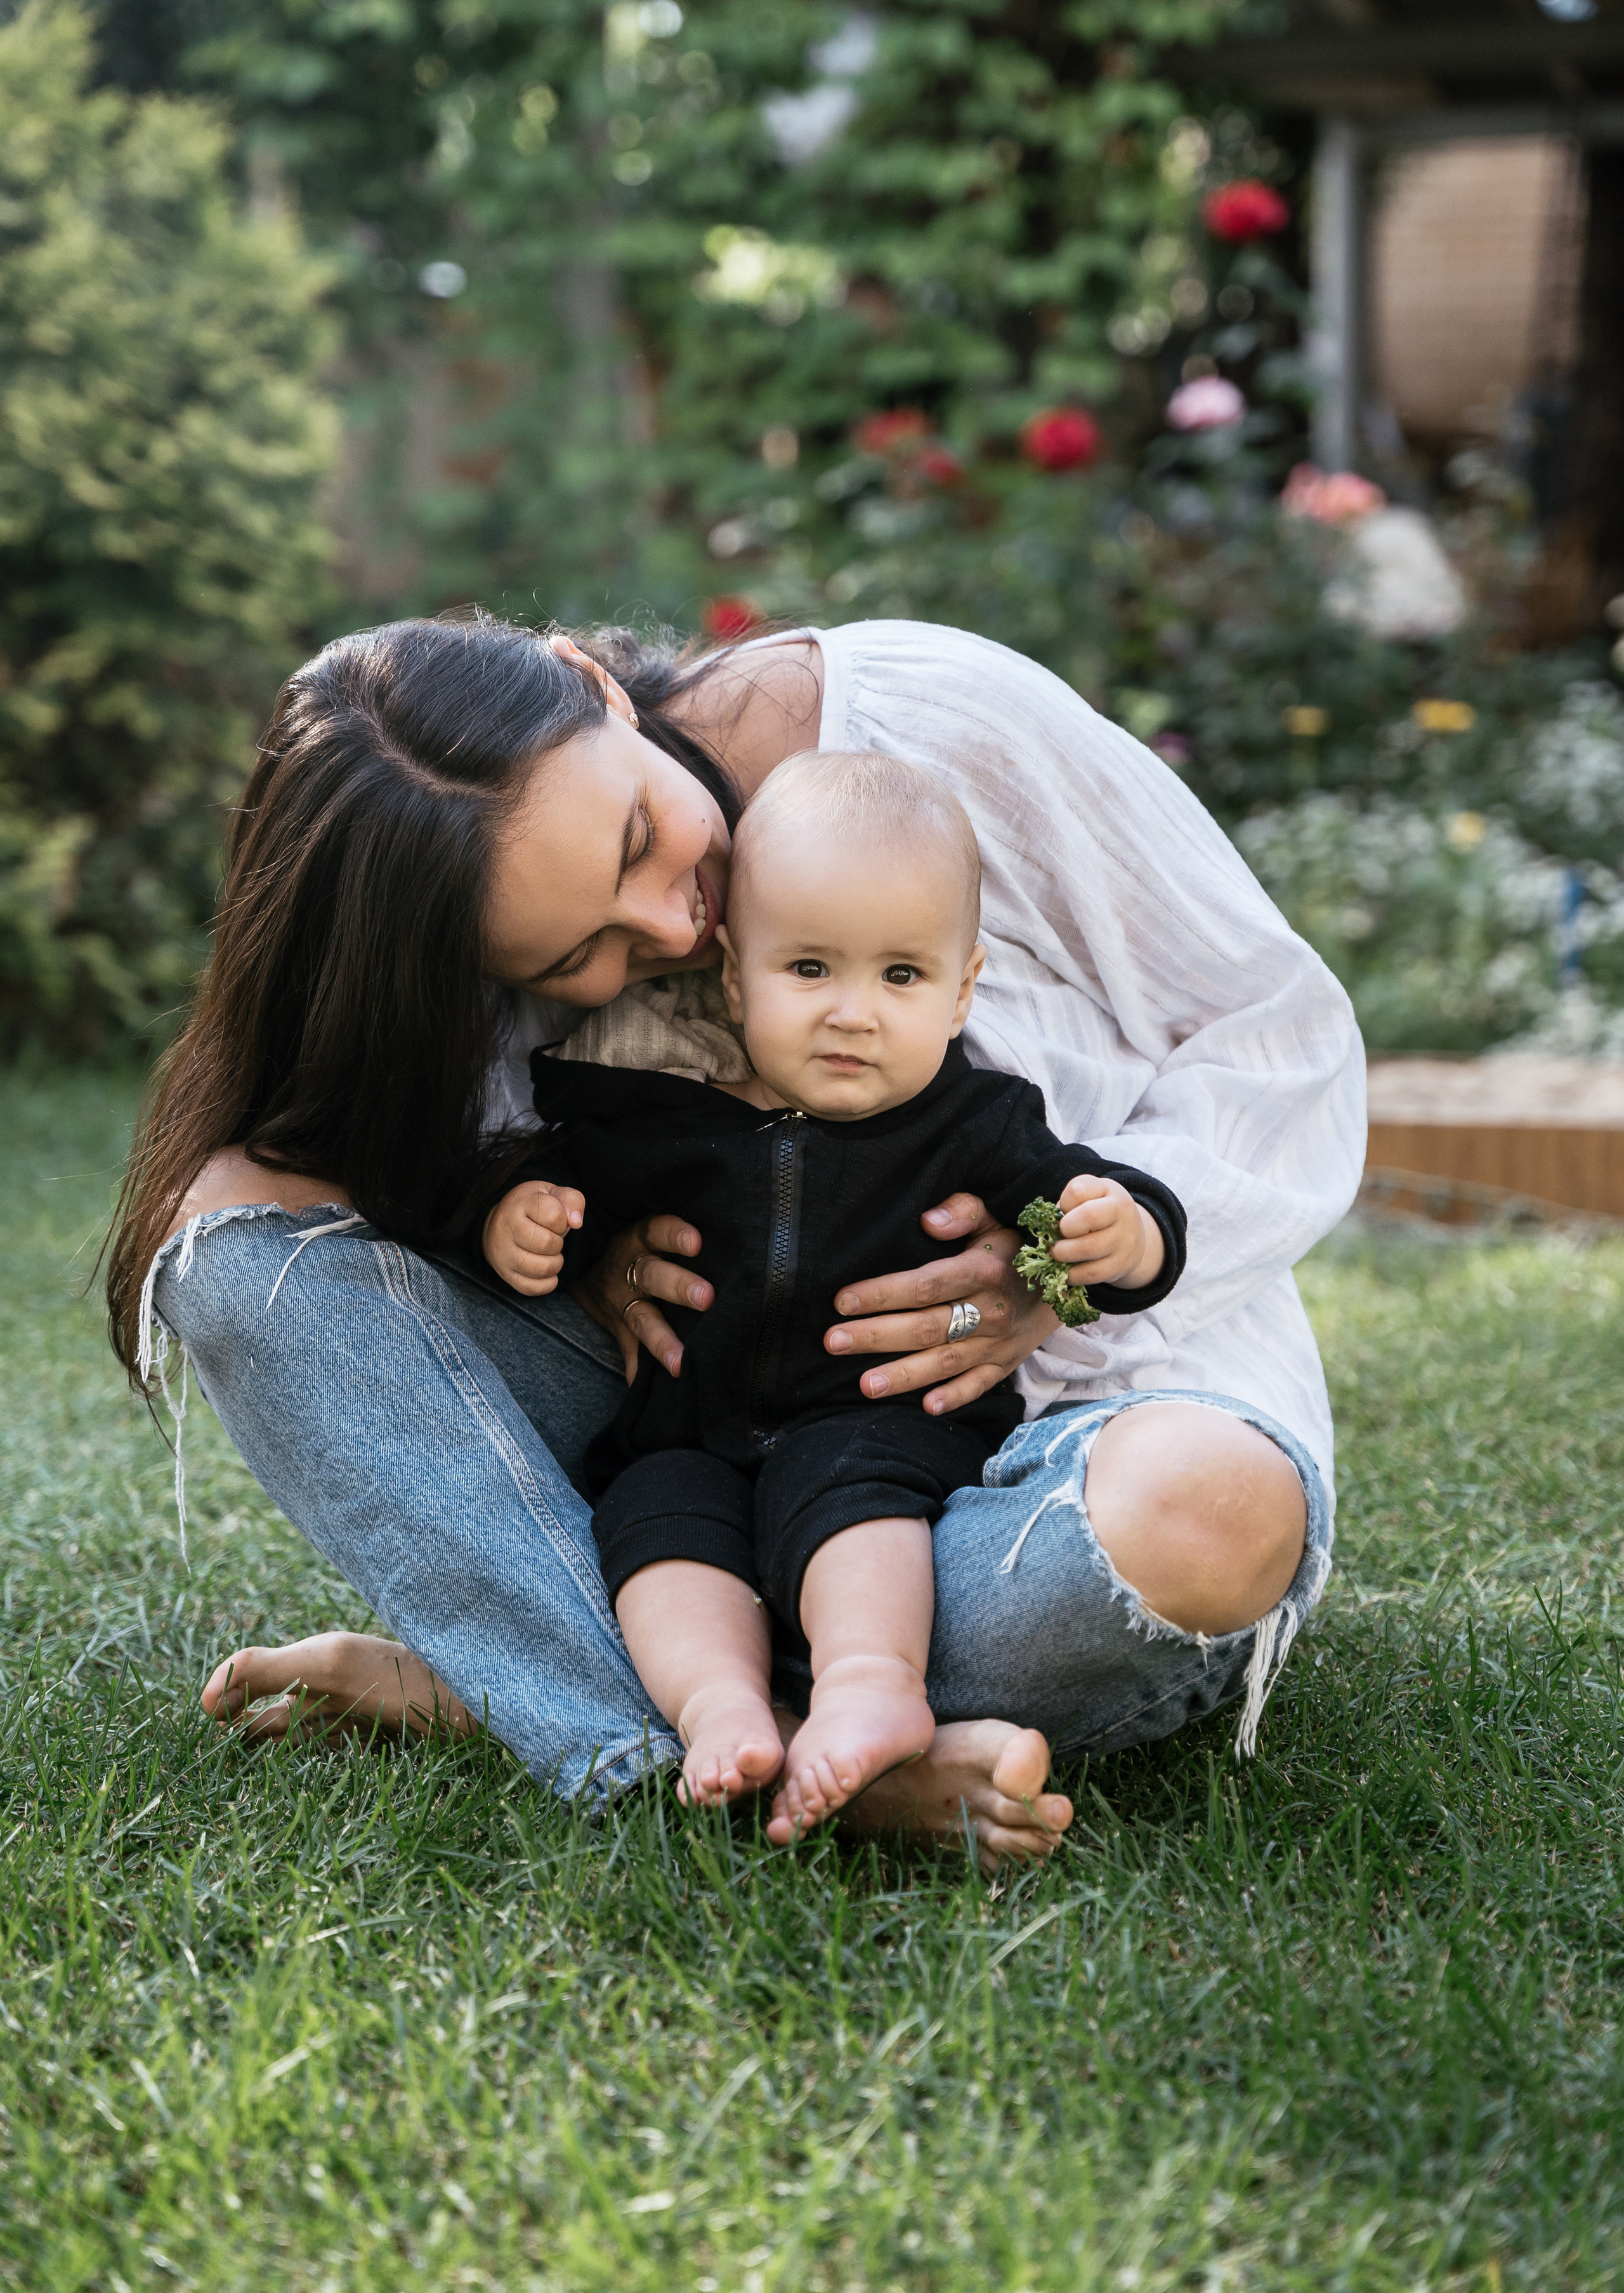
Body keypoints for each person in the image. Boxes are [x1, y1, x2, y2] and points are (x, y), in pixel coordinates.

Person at [108, 616, 1358, 1869]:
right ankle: (776, 1744)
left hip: (1030, 1454)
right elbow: (452, 1208)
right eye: (578, 955)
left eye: (636, 838)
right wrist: (570, 1250)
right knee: (230, 1240)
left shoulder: (935, 719)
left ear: (588, 682)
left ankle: (529, 1675)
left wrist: (1057, 1273)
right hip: (686, 1451)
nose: (667, 928)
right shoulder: (465, 946)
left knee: (1209, 1516)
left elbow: (1278, 1033)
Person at [481, 752, 1187, 1836]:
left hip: (881, 1427)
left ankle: (869, 1686)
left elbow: (1100, 1224)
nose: (854, 1013)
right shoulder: (657, 1120)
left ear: (961, 990)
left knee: (851, 1495)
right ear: (734, 980)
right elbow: (556, 1185)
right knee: (657, 1523)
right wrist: (521, 1217)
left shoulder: (976, 1126)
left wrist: (1125, 1233)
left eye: (901, 976)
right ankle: (722, 1710)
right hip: (689, 1432)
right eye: (809, 969)